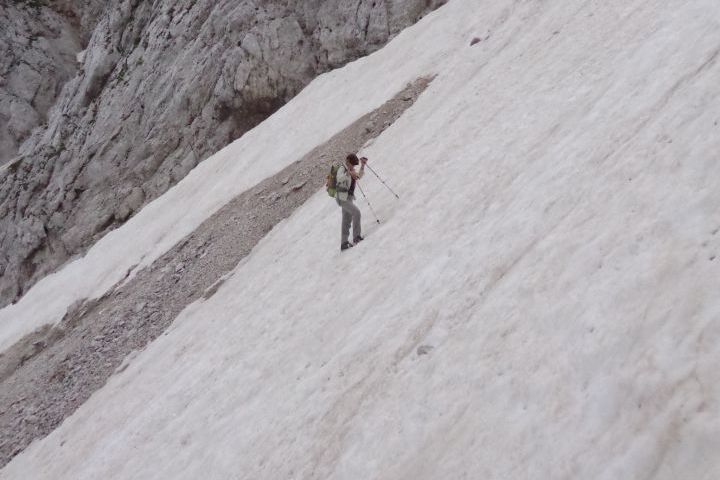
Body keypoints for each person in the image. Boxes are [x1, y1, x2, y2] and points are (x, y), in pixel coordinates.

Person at [335, 153, 367, 251]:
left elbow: (358, 176)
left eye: (354, 165)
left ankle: (344, 243)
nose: (353, 166)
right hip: (342, 197)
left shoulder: (350, 169)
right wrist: (348, 173)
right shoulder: (342, 168)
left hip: (348, 198)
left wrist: (362, 165)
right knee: (356, 213)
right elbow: (339, 178)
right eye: (352, 164)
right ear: (348, 161)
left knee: (346, 220)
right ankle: (356, 236)